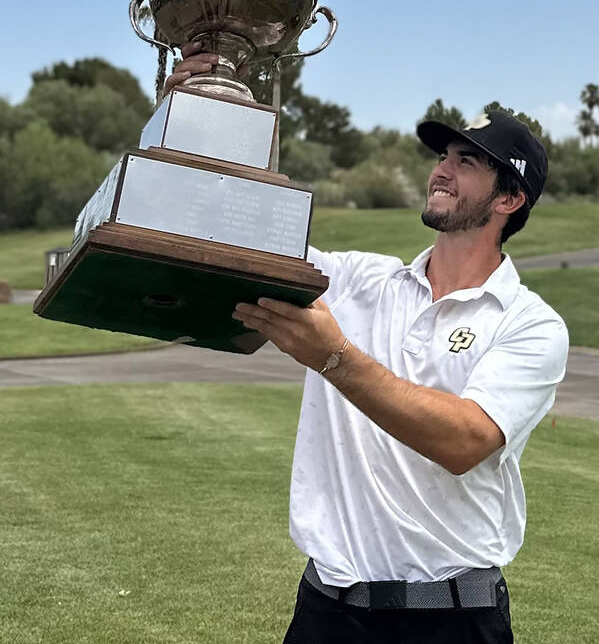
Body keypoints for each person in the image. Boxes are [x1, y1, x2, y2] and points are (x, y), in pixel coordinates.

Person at [168, 48, 569, 643]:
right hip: (327, 610)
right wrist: (198, 119)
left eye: (467, 163)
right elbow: (230, 239)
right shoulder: (359, 279)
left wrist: (335, 357)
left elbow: (464, 440)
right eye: (442, 156)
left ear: (509, 200)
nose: (442, 170)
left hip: (452, 620)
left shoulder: (531, 324)